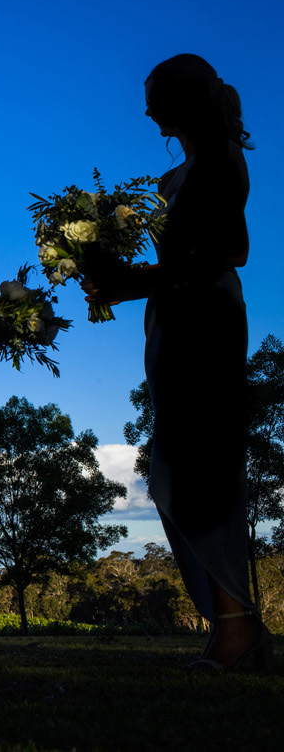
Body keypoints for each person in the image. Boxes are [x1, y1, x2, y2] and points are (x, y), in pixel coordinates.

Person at [82, 53, 269, 673]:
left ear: (187, 99)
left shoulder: (219, 162)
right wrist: (114, 279)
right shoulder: (183, 172)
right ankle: (228, 624)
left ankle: (237, 630)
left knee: (197, 471)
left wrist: (127, 276)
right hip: (175, 317)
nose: (146, 109)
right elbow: (180, 262)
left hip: (205, 320)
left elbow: (221, 251)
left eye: (156, 96)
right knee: (174, 472)